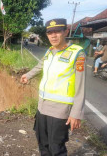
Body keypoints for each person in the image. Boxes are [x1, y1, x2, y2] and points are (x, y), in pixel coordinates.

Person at [20, 18, 86, 156]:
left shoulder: (77, 53)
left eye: (57, 31)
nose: (53, 35)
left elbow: (81, 86)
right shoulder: (50, 51)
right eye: (50, 32)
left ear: (65, 32)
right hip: (42, 106)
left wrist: (76, 113)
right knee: (42, 143)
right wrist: (28, 75)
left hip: (60, 110)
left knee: (56, 148)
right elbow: (40, 65)